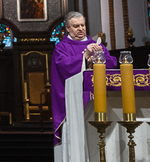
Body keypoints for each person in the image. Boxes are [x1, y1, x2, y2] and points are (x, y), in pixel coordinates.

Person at [50, 12, 117, 148]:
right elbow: (63, 67)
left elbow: (112, 65)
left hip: (99, 99)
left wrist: (101, 56)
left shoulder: (96, 45)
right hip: (75, 101)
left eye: (83, 25)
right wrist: (84, 56)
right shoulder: (61, 48)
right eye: (76, 26)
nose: (81, 29)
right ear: (67, 28)